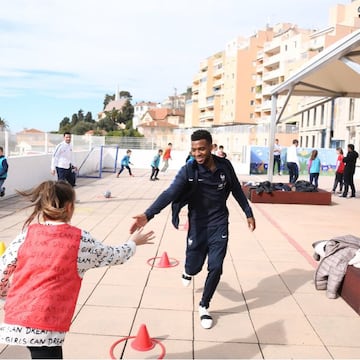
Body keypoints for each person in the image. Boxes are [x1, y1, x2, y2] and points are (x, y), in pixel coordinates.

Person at [0, 180, 155, 359]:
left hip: (17, 317)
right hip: (47, 323)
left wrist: (7, 295)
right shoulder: (79, 240)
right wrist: (133, 243)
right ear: (70, 207)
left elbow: (2, 270)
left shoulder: (26, 234)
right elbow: (113, 255)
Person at [129, 129, 256, 330]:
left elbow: (236, 190)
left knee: (216, 266)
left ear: (211, 147)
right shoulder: (189, 170)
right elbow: (169, 193)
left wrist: (248, 212)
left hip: (219, 223)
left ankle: (204, 305)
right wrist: (148, 214)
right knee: (194, 267)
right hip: (197, 225)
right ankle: (188, 271)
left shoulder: (224, 166)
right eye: (194, 149)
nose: (197, 154)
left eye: (202, 149)